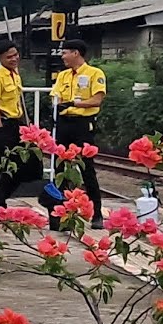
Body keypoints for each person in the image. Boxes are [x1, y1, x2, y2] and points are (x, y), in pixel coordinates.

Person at [51, 38, 105, 229]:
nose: (62, 57)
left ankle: (97, 213)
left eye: (65, 53)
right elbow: (56, 97)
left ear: (76, 53)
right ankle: (62, 215)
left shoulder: (94, 74)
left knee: (87, 168)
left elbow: (97, 99)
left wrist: (75, 104)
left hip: (83, 124)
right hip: (65, 123)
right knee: (60, 169)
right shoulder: (63, 76)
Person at [0, 39, 30, 209]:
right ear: (0, 58)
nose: (14, 59)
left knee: (20, 165)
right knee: (0, 164)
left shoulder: (15, 75)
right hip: (2, 124)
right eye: (9, 57)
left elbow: (18, 102)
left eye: (16, 55)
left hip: (15, 124)